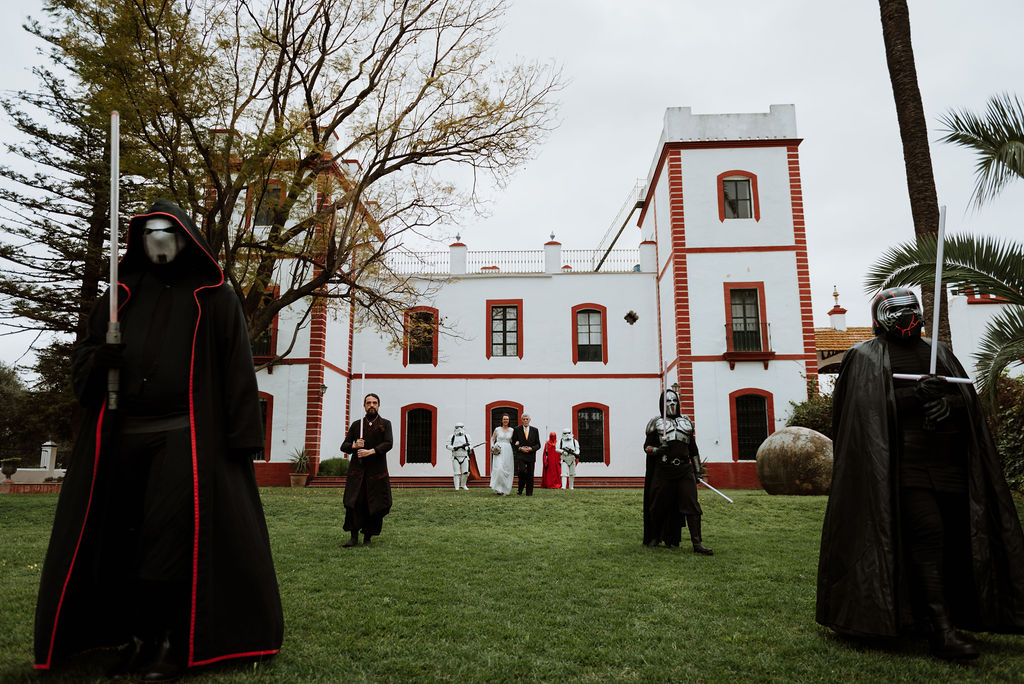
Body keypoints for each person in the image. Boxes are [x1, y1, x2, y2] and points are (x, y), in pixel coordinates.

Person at [34, 200, 283, 679]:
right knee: (124, 536)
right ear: (138, 239)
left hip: (183, 441)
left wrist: (241, 440)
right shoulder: (119, 298)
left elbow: (237, 370)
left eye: (166, 231)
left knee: (167, 539)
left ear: (185, 237)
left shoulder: (214, 296)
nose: (158, 240)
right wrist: (101, 359)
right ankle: (137, 638)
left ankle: (169, 640)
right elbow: (82, 369)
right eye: (148, 232)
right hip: (121, 437)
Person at [817, 287, 1024, 660]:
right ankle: (941, 631)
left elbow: (967, 403)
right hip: (901, 468)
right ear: (881, 316)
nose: (907, 315)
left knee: (953, 540)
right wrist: (913, 397)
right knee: (929, 534)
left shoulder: (938, 354)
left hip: (948, 465)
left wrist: (947, 401)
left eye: (912, 308)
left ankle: (936, 615)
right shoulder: (863, 356)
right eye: (897, 310)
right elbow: (861, 414)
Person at [643, 385, 712, 555]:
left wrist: (697, 471)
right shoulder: (655, 423)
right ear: (662, 404)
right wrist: (658, 450)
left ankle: (697, 544)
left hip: (684, 469)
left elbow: (693, 449)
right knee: (658, 504)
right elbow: (646, 447)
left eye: (674, 400)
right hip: (663, 469)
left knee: (692, 505)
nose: (672, 404)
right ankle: (655, 537)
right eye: (668, 401)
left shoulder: (687, 422)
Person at [340, 393, 393, 547]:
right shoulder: (357, 425)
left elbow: (388, 443)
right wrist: (354, 446)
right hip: (358, 473)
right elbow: (344, 446)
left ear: (378, 405)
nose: (371, 405)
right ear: (364, 405)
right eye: (368, 403)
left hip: (376, 473)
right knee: (355, 504)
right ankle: (353, 536)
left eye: (374, 403)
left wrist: (371, 451)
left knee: (374, 505)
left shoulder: (385, 424)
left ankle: (368, 537)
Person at [512, 413, 541, 495]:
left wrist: (531, 448)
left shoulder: (535, 430)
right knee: (522, 471)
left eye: (527, 419)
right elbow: (513, 442)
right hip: (521, 454)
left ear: (529, 420)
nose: (525, 421)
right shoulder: (517, 429)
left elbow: (538, 444)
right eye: (524, 419)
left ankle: (529, 492)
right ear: (521, 420)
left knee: (530, 473)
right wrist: (520, 448)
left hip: (531, 455)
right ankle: (520, 489)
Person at [489, 414, 515, 496]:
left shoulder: (512, 430)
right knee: (499, 468)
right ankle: (499, 488)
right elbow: (492, 439)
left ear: (509, 420)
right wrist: (493, 447)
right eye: (504, 419)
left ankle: (505, 489)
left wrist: (517, 443)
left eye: (507, 419)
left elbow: (513, 440)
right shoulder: (497, 429)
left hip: (508, 450)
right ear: (502, 420)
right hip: (498, 450)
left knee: (507, 469)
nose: (505, 420)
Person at [445, 422, 472, 491]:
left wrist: (465, 448)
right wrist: (454, 448)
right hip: (455, 456)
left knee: (465, 472)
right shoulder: (451, 437)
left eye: (461, 427)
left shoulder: (467, 436)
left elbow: (471, 445)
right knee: (457, 473)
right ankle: (457, 487)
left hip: (465, 456)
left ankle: (463, 485)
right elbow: (447, 445)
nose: (459, 429)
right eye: (457, 427)